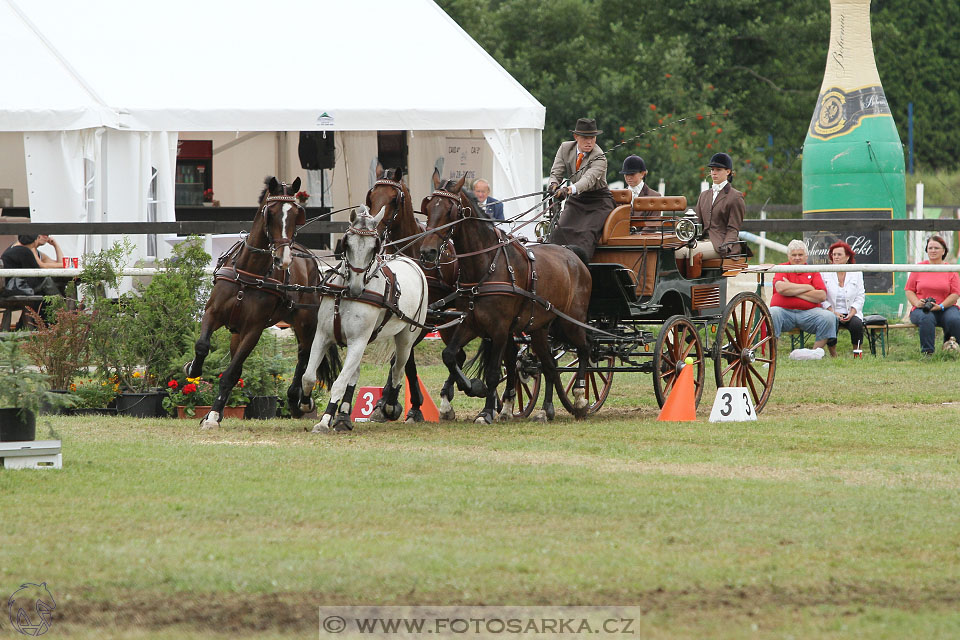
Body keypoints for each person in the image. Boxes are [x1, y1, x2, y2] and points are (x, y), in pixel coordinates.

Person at [548, 117, 615, 262]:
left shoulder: (599, 157)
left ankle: (581, 270)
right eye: (585, 138)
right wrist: (553, 185)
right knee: (559, 231)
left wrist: (568, 190)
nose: (589, 142)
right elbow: (556, 172)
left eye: (593, 137)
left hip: (599, 202)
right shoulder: (565, 148)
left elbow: (587, 180)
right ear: (576, 137)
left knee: (585, 235)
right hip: (577, 201)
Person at [769, 240, 837, 352]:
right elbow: (781, 288)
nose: (797, 258)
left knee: (829, 317)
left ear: (806, 256)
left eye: (800, 255)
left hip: (810, 313)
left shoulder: (813, 270)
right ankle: (772, 355)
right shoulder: (782, 267)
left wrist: (791, 288)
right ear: (788, 256)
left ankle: (814, 354)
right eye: (794, 255)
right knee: (772, 312)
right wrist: (808, 287)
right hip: (783, 312)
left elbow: (821, 296)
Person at [676, 152, 745, 261]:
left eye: (718, 170)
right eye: (712, 170)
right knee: (674, 250)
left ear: (728, 172)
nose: (714, 173)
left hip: (721, 244)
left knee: (684, 253)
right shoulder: (704, 195)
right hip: (702, 240)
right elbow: (697, 223)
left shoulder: (735, 197)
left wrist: (726, 246)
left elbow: (733, 228)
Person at [904, 235, 960, 355]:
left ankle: (951, 350)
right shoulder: (918, 268)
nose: (933, 251)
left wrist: (941, 306)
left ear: (943, 251)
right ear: (927, 250)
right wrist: (917, 303)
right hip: (922, 308)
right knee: (926, 318)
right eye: (930, 248)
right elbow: (909, 290)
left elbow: (955, 294)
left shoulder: (951, 269)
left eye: (936, 248)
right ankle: (928, 353)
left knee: (955, 319)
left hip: (946, 307)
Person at [821, 241, 865, 357]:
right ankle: (833, 356)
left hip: (851, 312)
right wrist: (832, 312)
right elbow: (821, 297)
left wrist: (852, 312)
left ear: (847, 257)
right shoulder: (824, 272)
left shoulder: (857, 272)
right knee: (830, 322)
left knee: (856, 324)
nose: (835, 257)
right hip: (831, 311)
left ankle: (857, 354)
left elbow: (860, 296)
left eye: (839, 254)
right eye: (834, 254)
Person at [619, 155, 661, 233]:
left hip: (644, 241)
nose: (628, 177)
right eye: (626, 174)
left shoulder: (655, 196)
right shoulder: (619, 196)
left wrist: (638, 238)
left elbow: (652, 225)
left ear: (643, 174)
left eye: (632, 174)